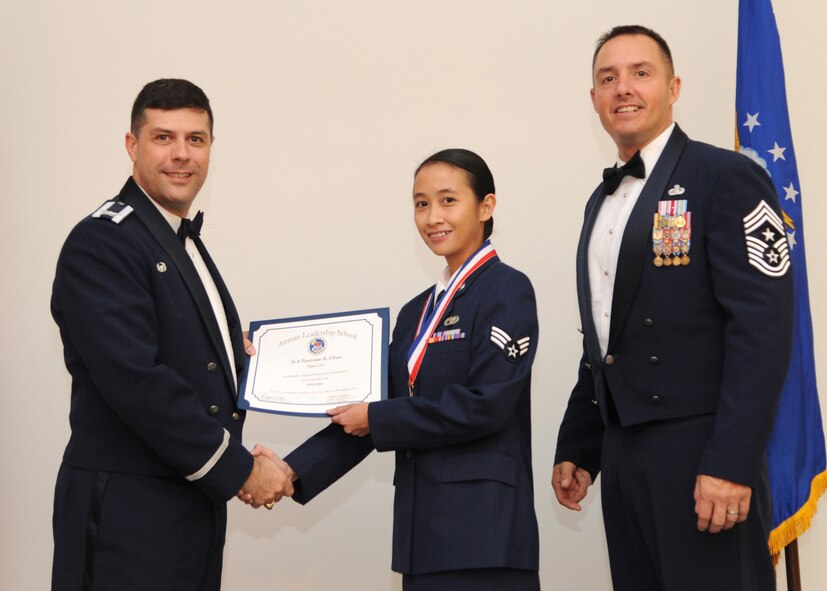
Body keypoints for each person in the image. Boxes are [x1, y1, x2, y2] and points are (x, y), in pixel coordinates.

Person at [551, 25, 793, 591]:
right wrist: (580, 445)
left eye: (641, 73)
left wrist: (731, 463)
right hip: (624, 453)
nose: (623, 89)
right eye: (607, 79)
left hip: (702, 453)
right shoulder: (600, 201)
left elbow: (762, 330)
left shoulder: (726, 178)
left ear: (674, 86)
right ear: (594, 100)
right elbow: (605, 339)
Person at [50, 78, 293, 591]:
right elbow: (138, 381)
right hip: (128, 513)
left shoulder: (179, 240)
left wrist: (243, 357)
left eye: (196, 139)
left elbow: (186, 356)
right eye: (164, 138)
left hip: (186, 505)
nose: (182, 155)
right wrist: (239, 468)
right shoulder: (102, 241)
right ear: (132, 146)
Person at [269, 149, 540, 590]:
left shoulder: (507, 290)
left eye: (448, 200)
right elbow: (376, 411)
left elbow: (486, 406)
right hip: (423, 537)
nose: (433, 216)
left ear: (486, 207)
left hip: (484, 534)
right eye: (421, 203)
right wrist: (291, 471)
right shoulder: (416, 312)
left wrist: (375, 417)